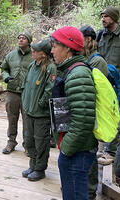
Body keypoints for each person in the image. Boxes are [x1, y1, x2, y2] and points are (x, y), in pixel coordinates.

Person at [51, 26, 98, 200]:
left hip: (78, 150)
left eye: (55, 45)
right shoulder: (70, 70)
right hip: (74, 148)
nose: (52, 50)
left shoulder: (78, 74)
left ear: (68, 47)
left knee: (76, 195)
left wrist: (66, 149)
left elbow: (83, 120)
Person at [80, 25, 109, 200]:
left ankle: (90, 192)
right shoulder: (84, 57)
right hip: (84, 112)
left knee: (90, 153)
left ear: (89, 40)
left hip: (93, 114)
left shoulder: (97, 61)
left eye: (80, 38)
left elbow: (99, 92)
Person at [21, 39, 56, 181]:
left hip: (41, 114)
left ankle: (40, 169)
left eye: (36, 50)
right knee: (29, 141)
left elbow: (49, 90)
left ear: (43, 54)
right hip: (29, 112)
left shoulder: (50, 68)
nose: (32, 52)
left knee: (41, 142)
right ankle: (32, 165)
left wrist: (41, 104)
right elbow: (25, 85)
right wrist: (25, 102)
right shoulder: (31, 65)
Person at [0, 31, 34, 154]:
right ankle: (11, 142)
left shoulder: (34, 55)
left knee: (27, 119)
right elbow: (3, 68)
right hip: (12, 91)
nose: (20, 40)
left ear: (29, 41)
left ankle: (28, 145)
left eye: (24, 38)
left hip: (27, 92)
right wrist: (6, 77)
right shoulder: (11, 55)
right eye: (19, 38)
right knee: (12, 118)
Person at [97, 6, 120, 166]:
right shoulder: (101, 35)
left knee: (116, 115)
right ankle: (102, 147)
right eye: (102, 16)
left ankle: (111, 152)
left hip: (118, 83)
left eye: (106, 16)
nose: (103, 19)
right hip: (103, 81)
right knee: (103, 112)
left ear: (114, 18)